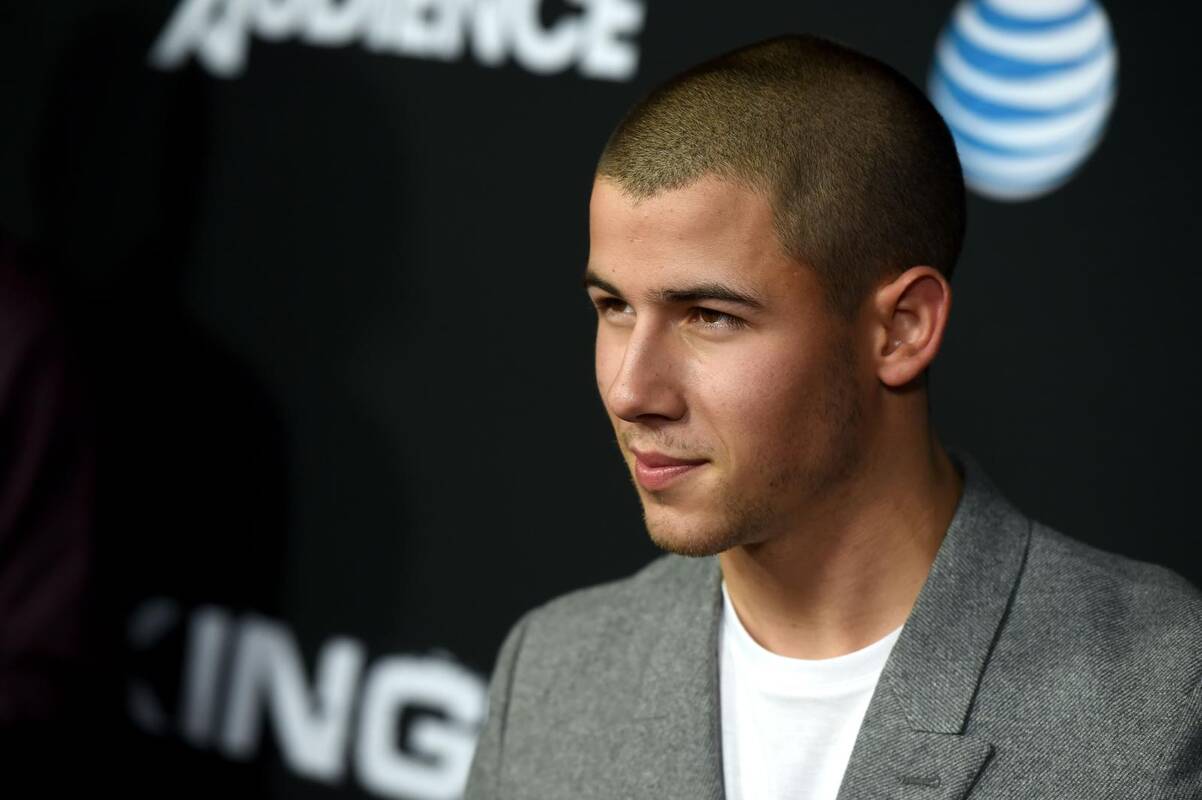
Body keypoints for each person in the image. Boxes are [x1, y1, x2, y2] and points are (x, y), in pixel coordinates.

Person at [463, 34, 1202, 799]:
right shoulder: (553, 671)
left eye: (711, 316)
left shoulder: (1162, 699)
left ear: (903, 329)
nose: (630, 390)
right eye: (613, 306)